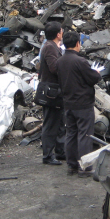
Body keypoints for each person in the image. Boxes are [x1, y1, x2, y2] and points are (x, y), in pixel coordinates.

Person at [56, 31, 102, 177]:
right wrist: (96, 72)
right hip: (83, 103)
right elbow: (93, 78)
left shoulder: (60, 61)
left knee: (71, 134)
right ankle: (85, 167)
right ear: (77, 44)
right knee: (85, 134)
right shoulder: (80, 61)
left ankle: (72, 166)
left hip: (68, 103)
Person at [39, 21, 66, 165]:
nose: (62, 33)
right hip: (51, 92)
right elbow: (54, 68)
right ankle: (48, 155)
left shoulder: (53, 46)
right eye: (61, 31)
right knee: (50, 123)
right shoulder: (50, 47)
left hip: (57, 91)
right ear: (58, 34)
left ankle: (61, 151)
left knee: (61, 122)